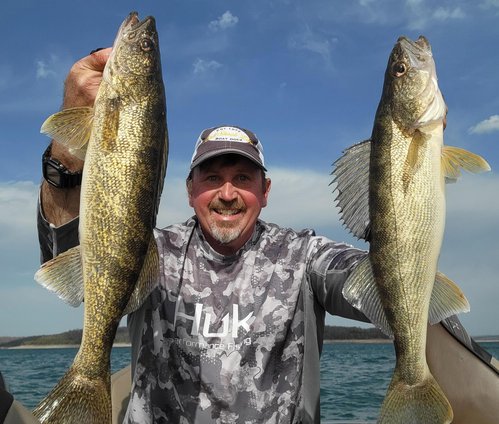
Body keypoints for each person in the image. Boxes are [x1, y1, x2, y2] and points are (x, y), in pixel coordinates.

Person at [33, 49, 499, 424]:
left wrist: (403, 193)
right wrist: (67, 156)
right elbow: (67, 252)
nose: (228, 192)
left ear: (266, 190)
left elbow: (386, 283)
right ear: (191, 189)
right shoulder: (152, 251)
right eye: (212, 176)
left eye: (244, 177)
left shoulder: (304, 256)